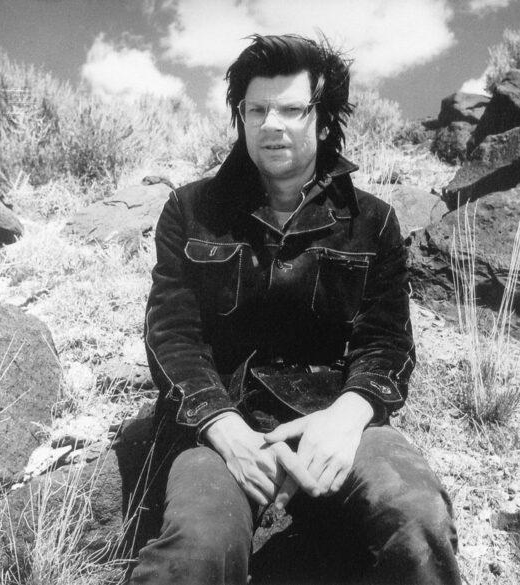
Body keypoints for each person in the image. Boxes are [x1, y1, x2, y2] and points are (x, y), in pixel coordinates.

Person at [127, 33, 461, 585]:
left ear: (324, 120)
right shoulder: (190, 210)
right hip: (225, 426)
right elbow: (172, 335)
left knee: (418, 522)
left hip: (337, 421)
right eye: (256, 109)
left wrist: (347, 419)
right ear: (240, 115)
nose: (270, 124)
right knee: (195, 553)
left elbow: (387, 344)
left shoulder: (373, 221)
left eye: (290, 109)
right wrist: (222, 426)